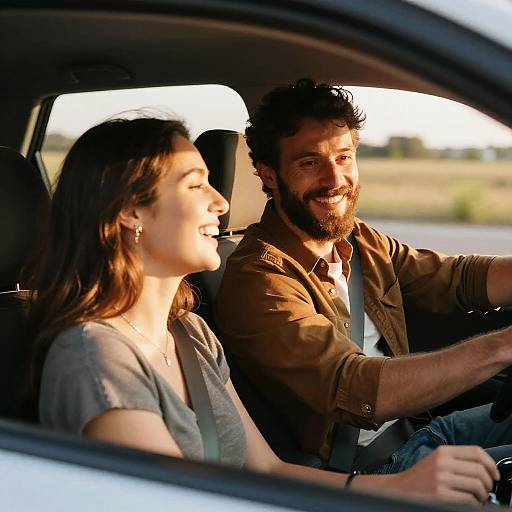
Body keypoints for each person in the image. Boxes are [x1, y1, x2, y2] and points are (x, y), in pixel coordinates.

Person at [25, 116, 498, 506]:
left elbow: (268, 469)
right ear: (130, 212)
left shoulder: (189, 332)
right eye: (196, 186)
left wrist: (396, 489)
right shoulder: (97, 360)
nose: (222, 202)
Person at [214, 79, 512, 480]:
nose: (335, 179)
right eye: (309, 163)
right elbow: (356, 388)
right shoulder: (260, 279)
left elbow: (456, 278)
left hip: (423, 431)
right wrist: (503, 347)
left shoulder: (356, 238)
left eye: (344, 157)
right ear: (268, 175)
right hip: (378, 471)